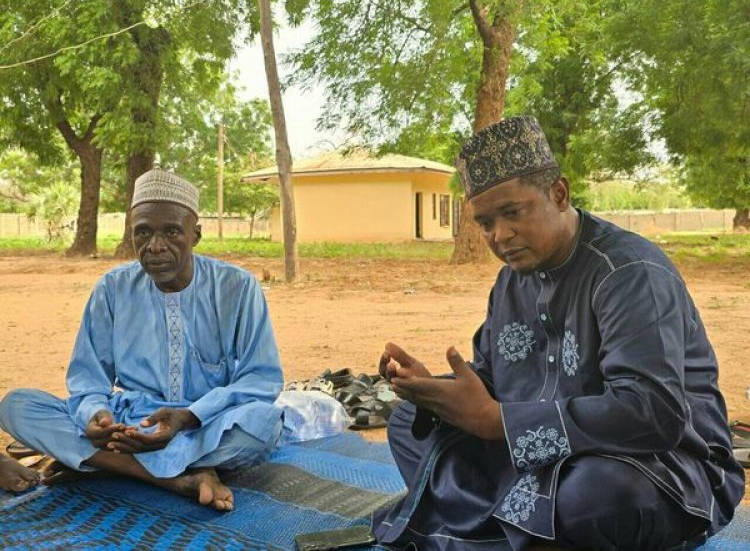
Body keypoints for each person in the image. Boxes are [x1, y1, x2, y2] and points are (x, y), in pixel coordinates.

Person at [373, 116, 744, 550]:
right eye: (486, 222)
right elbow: (492, 381)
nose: (500, 235)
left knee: (600, 494)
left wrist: (499, 423)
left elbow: (653, 414)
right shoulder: (510, 280)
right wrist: (433, 390)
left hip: (658, 464)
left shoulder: (628, 273)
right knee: (407, 424)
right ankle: (523, 529)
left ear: (559, 194)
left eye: (512, 213)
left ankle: (493, 527)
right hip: (539, 457)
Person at [0, 169, 284, 510]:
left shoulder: (237, 287)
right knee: (17, 406)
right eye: (143, 232)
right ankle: (178, 478)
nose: (156, 246)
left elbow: (261, 378)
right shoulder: (112, 288)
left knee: (261, 424)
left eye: (171, 232)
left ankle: (109, 465)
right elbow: (88, 378)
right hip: (131, 423)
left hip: (205, 422)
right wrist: (98, 416)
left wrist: (189, 416)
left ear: (195, 235)